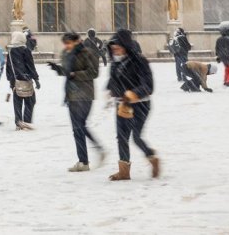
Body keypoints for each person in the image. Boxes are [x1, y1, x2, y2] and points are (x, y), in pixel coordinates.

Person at [106, 29, 159, 181]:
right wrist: (111, 90)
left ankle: (152, 157)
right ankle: (124, 171)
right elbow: (113, 80)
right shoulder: (115, 62)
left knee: (136, 137)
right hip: (121, 105)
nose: (115, 49)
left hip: (140, 105)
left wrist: (132, 94)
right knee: (121, 137)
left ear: (126, 46)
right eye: (113, 47)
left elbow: (148, 86)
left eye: (118, 46)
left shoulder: (140, 61)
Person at [47, 32, 104, 172]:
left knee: (80, 126)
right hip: (71, 94)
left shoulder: (87, 53)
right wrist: (58, 69)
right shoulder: (66, 53)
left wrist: (75, 75)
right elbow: (67, 72)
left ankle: (98, 149)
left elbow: (94, 72)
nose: (66, 46)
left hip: (85, 94)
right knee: (77, 129)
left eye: (69, 43)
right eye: (65, 43)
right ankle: (83, 161)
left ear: (77, 41)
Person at [5, 30, 40, 130]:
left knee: (17, 102)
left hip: (15, 81)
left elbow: (8, 68)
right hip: (25, 79)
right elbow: (30, 66)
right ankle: (26, 122)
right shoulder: (25, 50)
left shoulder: (11, 52)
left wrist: (10, 80)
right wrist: (36, 79)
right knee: (30, 100)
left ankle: (18, 122)